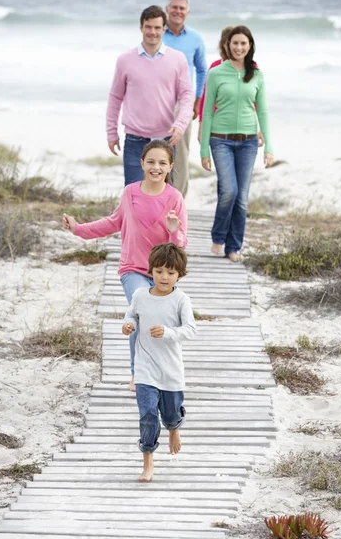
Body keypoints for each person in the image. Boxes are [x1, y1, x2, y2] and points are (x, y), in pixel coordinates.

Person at [63, 140, 187, 392]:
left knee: (161, 324)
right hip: (133, 269)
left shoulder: (175, 198)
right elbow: (112, 222)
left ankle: (163, 372)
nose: (156, 167)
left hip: (163, 273)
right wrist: (79, 229)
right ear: (141, 163)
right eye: (150, 161)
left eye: (162, 163)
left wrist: (173, 231)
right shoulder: (130, 192)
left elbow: (181, 244)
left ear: (171, 166)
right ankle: (138, 374)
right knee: (139, 314)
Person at [122, 242, 196, 482]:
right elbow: (132, 314)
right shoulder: (140, 295)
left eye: (171, 272)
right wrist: (129, 324)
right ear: (150, 271)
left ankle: (174, 428)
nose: (164, 277)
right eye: (159, 271)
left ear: (179, 274)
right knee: (147, 416)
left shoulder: (181, 299)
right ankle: (148, 462)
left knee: (171, 413)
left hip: (171, 370)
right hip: (145, 368)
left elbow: (190, 330)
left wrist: (167, 331)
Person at [200, 25, 274, 262]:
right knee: (228, 191)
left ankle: (234, 247)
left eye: (244, 43)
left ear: (250, 45)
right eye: (235, 43)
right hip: (220, 140)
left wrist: (269, 147)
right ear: (227, 45)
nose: (239, 47)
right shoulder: (216, 73)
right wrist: (204, 149)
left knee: (241, 197)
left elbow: (262, 111)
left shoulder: (257, 74)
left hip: (249, 142)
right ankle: (218, 236)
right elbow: (207, 112)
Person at [106, 5, 193, 186]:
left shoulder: (178, 59)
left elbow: (186, 95)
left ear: (164, 29)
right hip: (135, 140)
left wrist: (181, 124)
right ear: (141, 27)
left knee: (164, 199)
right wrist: (111, 132)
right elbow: (115, 97)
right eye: (148, 27)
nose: (152, 32)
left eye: (157, 27)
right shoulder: (125, 60)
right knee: (134, 196)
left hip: (167, 140)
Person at [163, 0, 207, 197]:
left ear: (187, 12)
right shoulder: (156, 34)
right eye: (174, 7)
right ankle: (154, 199)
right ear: (167, 9)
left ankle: (177, 200)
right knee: (154, 151)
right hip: (156, 101)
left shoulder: (195, 39)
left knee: (180, 154)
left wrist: (197, 100)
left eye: (182, 8)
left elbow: (202, 70)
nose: (178, 11)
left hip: (183, 103)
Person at [198, 25, 264, 149]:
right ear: (224, 45)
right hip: (220, 128)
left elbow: (255, 100)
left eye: (241, 43)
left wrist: (262, 128)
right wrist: (202, 126)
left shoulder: (251, 67)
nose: (236, 48)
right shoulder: (215, 67)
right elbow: (206, 99)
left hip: (244, 130)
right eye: (232, 43)